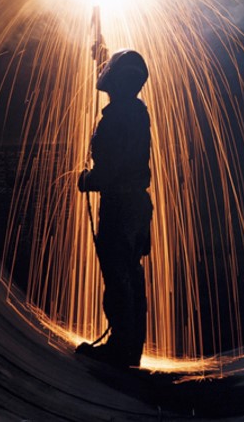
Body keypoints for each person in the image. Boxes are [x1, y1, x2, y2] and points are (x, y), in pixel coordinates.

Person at [76, 49, 152, 368]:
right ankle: (130, 346)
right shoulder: (135, 112)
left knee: (118, 275)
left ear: (118, 81)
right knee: (131, 274)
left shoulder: (118, 118)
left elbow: (112, 167)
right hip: (136, 205)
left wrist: (87, 179)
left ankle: (119, 350)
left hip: (120, 206)